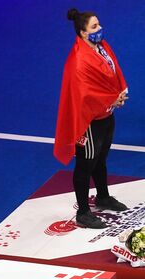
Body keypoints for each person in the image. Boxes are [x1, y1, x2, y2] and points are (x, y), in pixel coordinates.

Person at [54, 8, 128, 229]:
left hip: (106, 115)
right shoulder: (78, 61)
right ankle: (84, 212)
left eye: (99, 24)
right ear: (83, 33)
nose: (99, 29)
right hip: (88, 122)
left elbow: (113, 72)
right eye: (94, 27)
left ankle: (103, 197)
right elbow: (84, 94)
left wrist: (119, 93)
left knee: (101, 158)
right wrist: (110, 99)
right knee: (85, 165)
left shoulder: (101, 48)